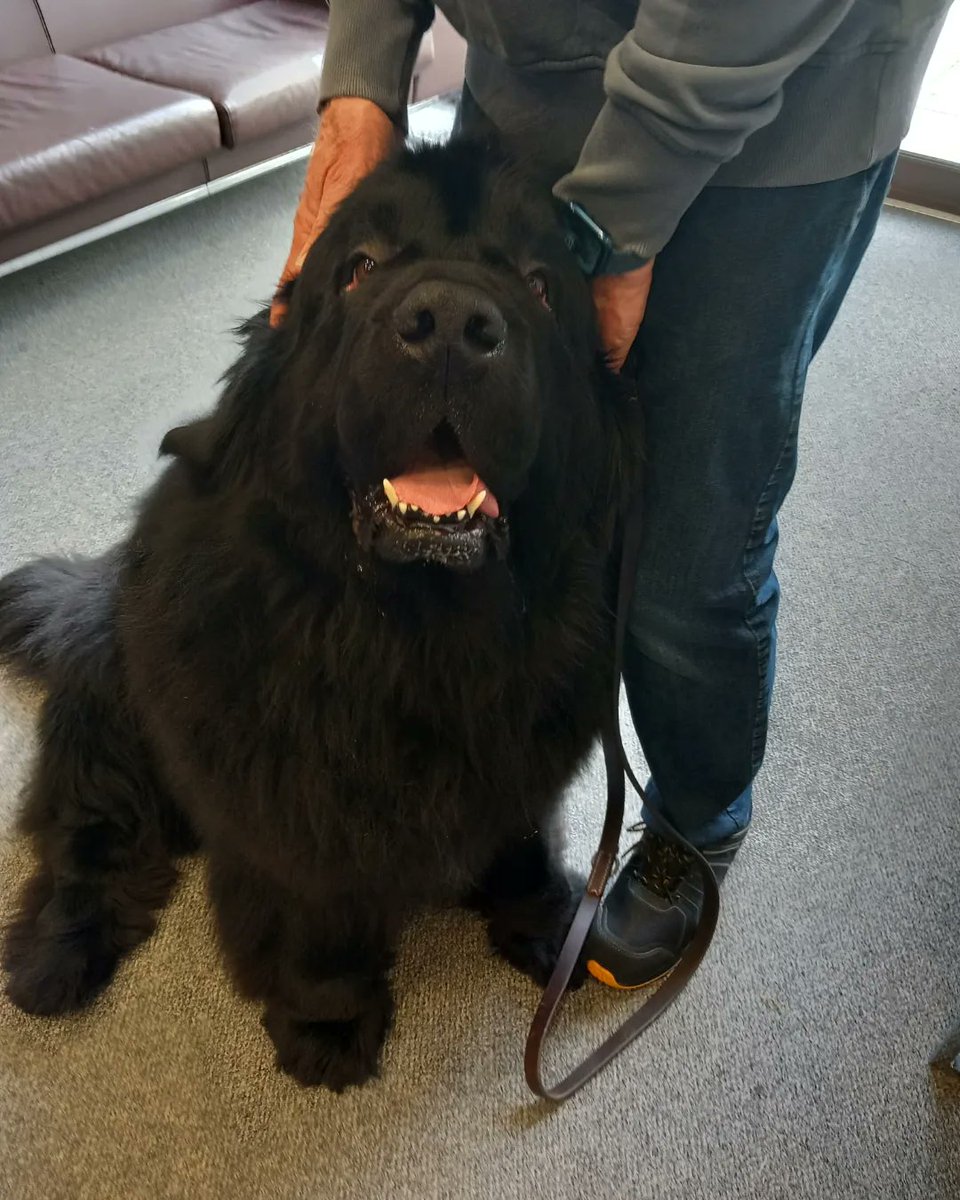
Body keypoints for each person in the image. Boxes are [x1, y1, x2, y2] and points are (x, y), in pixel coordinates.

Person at [272, 0, 951, 990]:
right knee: (481, 477)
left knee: (685, 552)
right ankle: (492, 780)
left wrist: (619, 220)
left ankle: (696, 821)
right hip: (522, 82)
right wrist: (359, 90)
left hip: (773, 117)